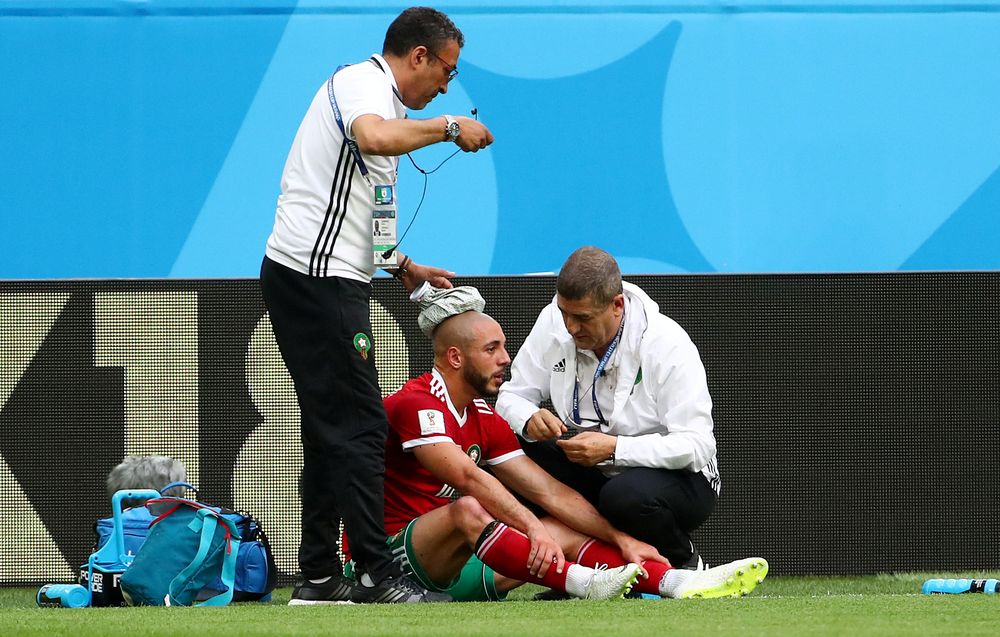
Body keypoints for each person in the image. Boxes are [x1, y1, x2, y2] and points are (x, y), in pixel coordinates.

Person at [259, 7, 493, 605]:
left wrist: (408, 269)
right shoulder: (363, 85)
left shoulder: (387, 107)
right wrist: (447, 127)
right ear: (418, 56)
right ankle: (376, 575)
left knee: (329, 429)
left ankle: (316, 575)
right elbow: (371, 137)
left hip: (324, 279)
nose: (447, 85)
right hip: (316, 281)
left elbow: (373, 214)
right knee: (364, 426)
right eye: (447, 70)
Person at [369, 284, 767, 602]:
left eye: (505, 347)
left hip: (462, 567)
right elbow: (469, 480)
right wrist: (530, 527)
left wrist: (622, 540)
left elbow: (549, 491)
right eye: (492, 350)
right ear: (455, 358)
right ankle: (584, 582)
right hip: (397, 568)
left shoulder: (481, 416)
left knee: (562, 525)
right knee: (469, 508)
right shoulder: (416, 403)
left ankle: (675, 582)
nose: (506, 359)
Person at [496, 246, 721, 570]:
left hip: (682, 479)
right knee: (504, 451)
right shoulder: (553, 323)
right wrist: (528, 418)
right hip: (594, 466)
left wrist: (615, 449)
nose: (571, 327)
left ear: (617, 305)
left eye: (583, 318)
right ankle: (591, 571)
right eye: (565, 313)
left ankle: (685, 563)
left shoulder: (666, 344)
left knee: (623, 496)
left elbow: (697, 446)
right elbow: (511, 396)